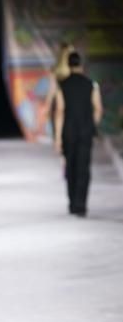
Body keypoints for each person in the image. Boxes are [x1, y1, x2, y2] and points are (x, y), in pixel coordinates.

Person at [55, 51, 103, 216]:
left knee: (71, 167)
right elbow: (98, 109)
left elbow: (60, 111)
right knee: (84, 168)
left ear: (69, 65)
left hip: (68, 132)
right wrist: (91, 125)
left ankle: (72, 203)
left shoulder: (62, 85)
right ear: (81, 65)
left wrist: (57, 138)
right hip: (85, 132)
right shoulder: (91, 85)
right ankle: (81, 204)